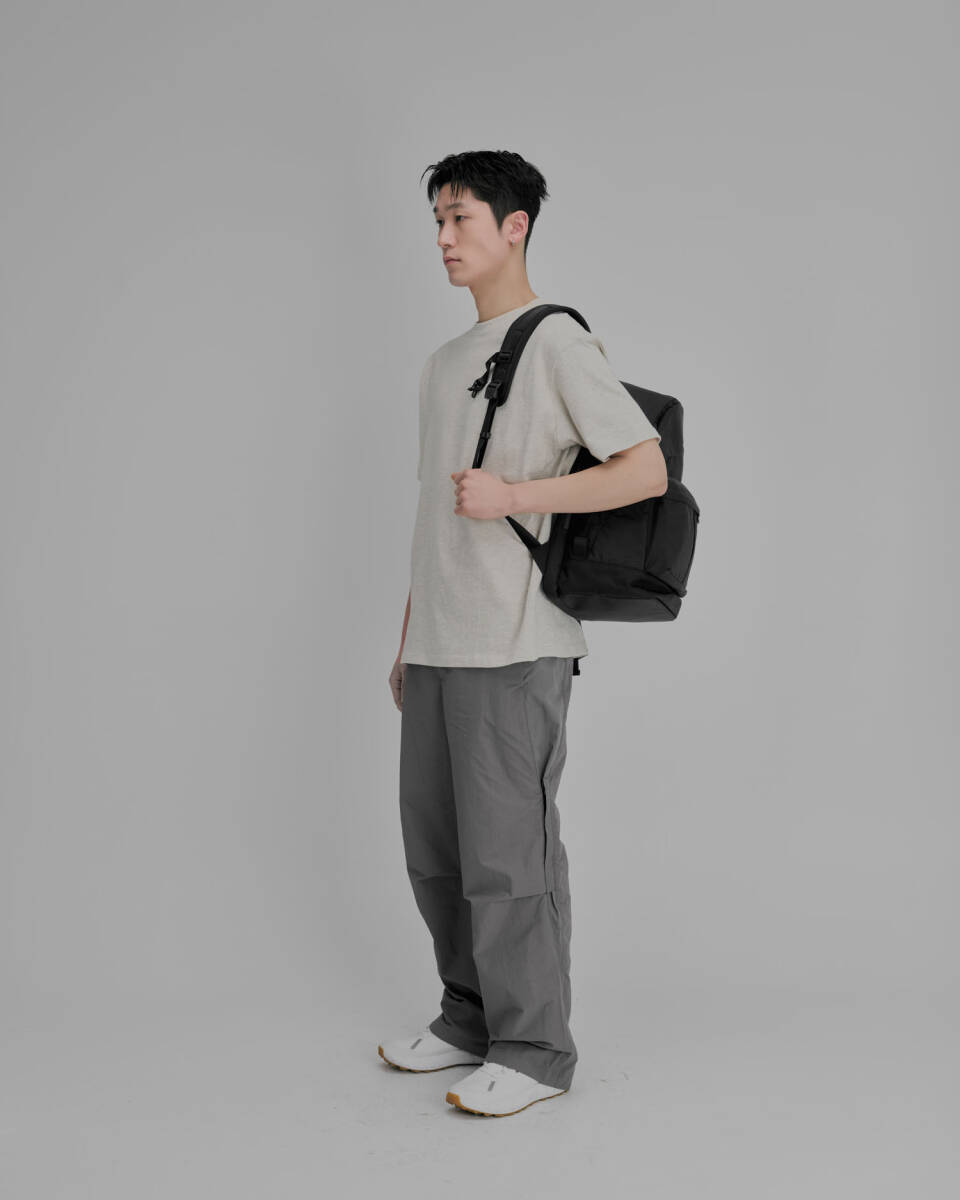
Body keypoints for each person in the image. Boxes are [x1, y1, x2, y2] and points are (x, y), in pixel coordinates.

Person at [381, 150, 668, 1117]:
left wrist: (515, 495)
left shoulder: (554, 342)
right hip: (440, 642)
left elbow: (644, 469)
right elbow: (433, 515)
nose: (443, 237)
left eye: (460, 217)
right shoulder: (442, 363)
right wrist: (408, 638)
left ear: (515, 227)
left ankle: (536, 1048)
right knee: (437, 853)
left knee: (510, 859)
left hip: (515, 640)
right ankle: (468, 1019)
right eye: (436, 219)